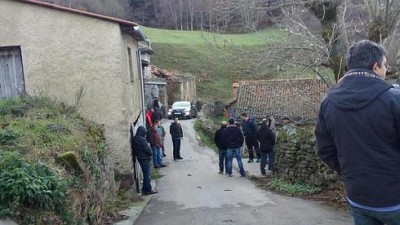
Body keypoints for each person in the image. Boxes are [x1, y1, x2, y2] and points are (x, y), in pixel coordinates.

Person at [315, 40, 400, 224]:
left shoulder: (328, 103)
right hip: (395, 198)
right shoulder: (394, 99)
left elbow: (325, 150)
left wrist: (350, 171)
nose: (386, 70)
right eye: (385, 65)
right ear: (376, 66)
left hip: (359, 196)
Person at [130, 126, 157, 195]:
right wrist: (151, 153)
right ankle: (147, 190)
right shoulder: (142, 140)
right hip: (145, 158)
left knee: (145, 174)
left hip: (140, 158)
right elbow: (147, 150)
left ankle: (144, 189)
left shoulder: (135, 138)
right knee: (147, 175)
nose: (145, 134)